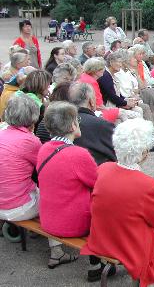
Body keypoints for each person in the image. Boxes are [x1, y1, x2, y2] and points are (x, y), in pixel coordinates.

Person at [81, 118, 154, 286]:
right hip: (128, 243)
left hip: (102, 237)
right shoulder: (147, 184)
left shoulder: (103, 169)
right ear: (143, 152)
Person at [37, 102, 97, 270]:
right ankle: (98, 264)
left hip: (48, 220)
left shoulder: (44, 149)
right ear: (72, 125)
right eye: (77, 119)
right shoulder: (78, 154)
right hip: (73, 224)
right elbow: (97, 183)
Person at [0, 95, 42, 222]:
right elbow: (45, 167)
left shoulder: (1, 133)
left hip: (4, 202)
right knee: (54, 196)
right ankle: (56, 240)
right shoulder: (30, 141)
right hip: (17, 208)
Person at [79, 58, 119, 123]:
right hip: (94, 111)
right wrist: (112, 110)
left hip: (89, 110)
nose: (104, 69)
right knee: (127, 114)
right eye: (102, 68)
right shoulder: (91, 81)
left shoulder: (84, 76)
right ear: (95, 70)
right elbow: (99, 104)